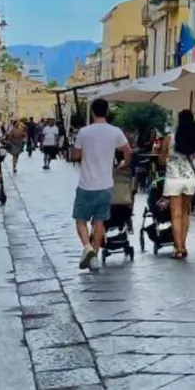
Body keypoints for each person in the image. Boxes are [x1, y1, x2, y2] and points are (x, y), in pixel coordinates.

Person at [71, 98, 132, 271]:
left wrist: (79, 151)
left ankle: (87, 247)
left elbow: (75, 155)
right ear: (106, 112)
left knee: (80, 220)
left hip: (86, 184)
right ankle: (94, 258)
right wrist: (123, 164)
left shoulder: (84, 132)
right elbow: (127, 151)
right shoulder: (115, 131)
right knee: (100, 221)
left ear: (92, 112)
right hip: (105, 184)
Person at [160, 109, 195, 259]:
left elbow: (162, 161)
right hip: (190, 179)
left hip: (173, 179)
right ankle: (184, 244)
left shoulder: (169, 139)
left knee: (175, 215)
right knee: (185, 213)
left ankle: (178, 247)